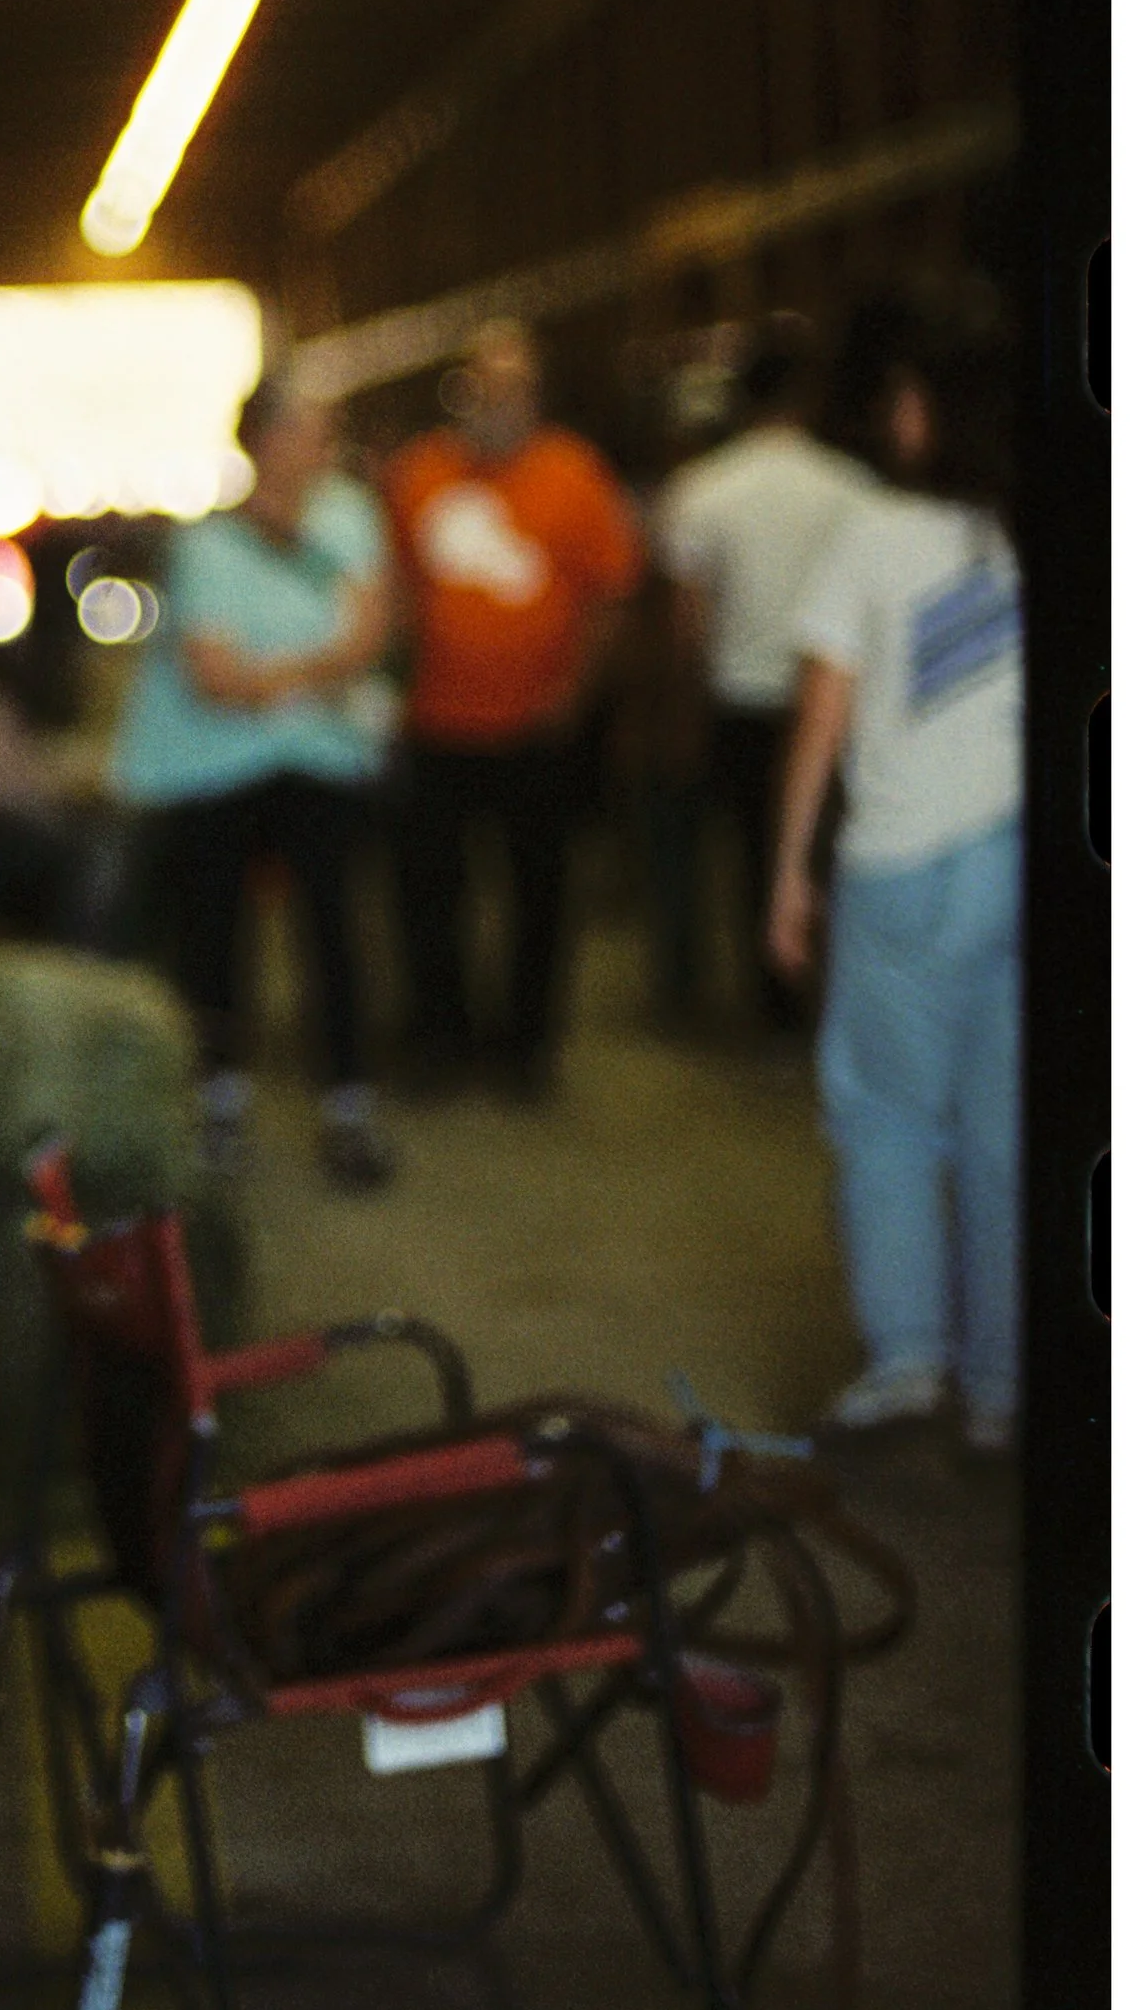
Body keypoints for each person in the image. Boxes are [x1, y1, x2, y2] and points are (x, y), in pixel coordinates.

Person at [767, 299, 1020, 1454]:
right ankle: (1006, 1380)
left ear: (933, 414)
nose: (892, 414)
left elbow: (826, 706)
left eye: (907, 396)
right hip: (1027, 864)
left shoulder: (873, 531)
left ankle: (909, 1359)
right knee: (1007, 1123)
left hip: (904, 868)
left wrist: (786, 869)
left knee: (885, 1114)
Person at [112, 371, 398, 1187]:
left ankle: (348, 1101)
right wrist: (313, 671)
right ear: (266, 440)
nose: (324, 447)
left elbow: (367, 635)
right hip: (215, 766)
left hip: (320, 759)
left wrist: (270, 678)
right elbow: (213, 676)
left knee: (335, 928)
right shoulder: (208, 544)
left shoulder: (349, 516)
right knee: (213, 929)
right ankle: (220, 1100)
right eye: (309, 429)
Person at [382, 319, 644, 1097]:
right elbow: (393, 589)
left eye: (516, 385)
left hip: (535, 729)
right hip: (435, 724)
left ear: (536, 393)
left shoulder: (575, 473)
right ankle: (441, 1037)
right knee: (430, 894)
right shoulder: (419, 474)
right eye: (486, 384)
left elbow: (609, 590)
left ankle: (526, 1049)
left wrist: (574, 692)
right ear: (463, 391)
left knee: (540, 894)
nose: (500, 401)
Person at [658, 320, 874, 1036]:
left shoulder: (704, 490)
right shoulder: (852, 489)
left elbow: (690, 620)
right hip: (833, 698)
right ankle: (820, 999)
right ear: (807, 397)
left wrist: (682, 715)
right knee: (828, 849)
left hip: (740, 701)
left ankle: (766, 999)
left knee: (756, 856)